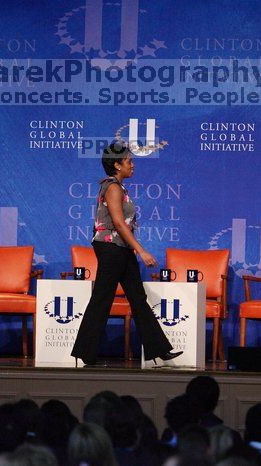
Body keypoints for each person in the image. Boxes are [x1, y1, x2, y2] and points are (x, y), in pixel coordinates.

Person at [71, 141, 182, 366]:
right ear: (116, 165)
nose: (132, 165)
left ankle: (160, 349)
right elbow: (120, 224)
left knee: (138, 299)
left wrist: (133, 249)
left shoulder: (119, 187)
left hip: (121, 248)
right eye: (129, 161)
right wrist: (141, 251)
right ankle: (85, 353)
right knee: (102, 298)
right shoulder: (112, 187)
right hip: (111, 248)